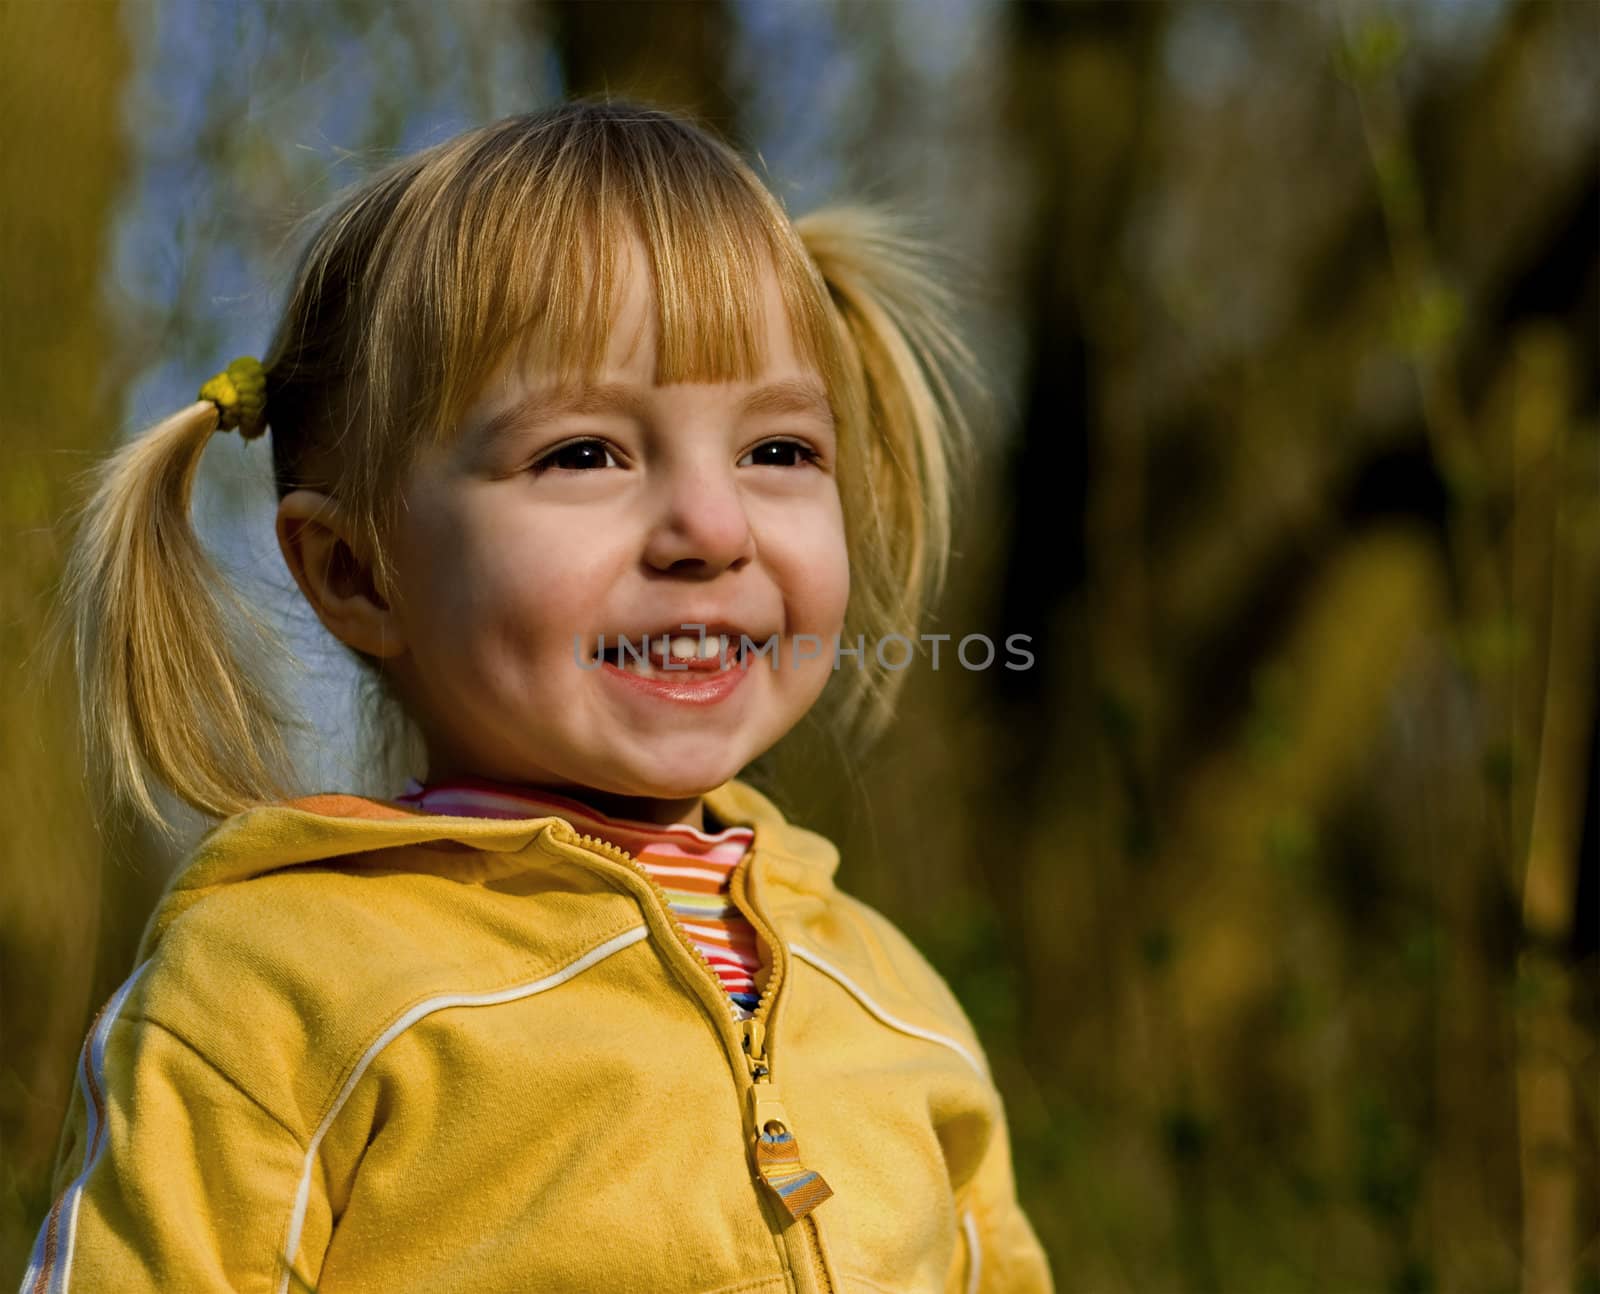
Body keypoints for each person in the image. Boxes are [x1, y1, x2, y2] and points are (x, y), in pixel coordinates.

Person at [24, 100, 1053, 1294]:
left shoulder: (892, 995)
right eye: (584, 455)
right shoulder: (274, 991)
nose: (711, 529)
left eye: (776, 451)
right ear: (358, 573)